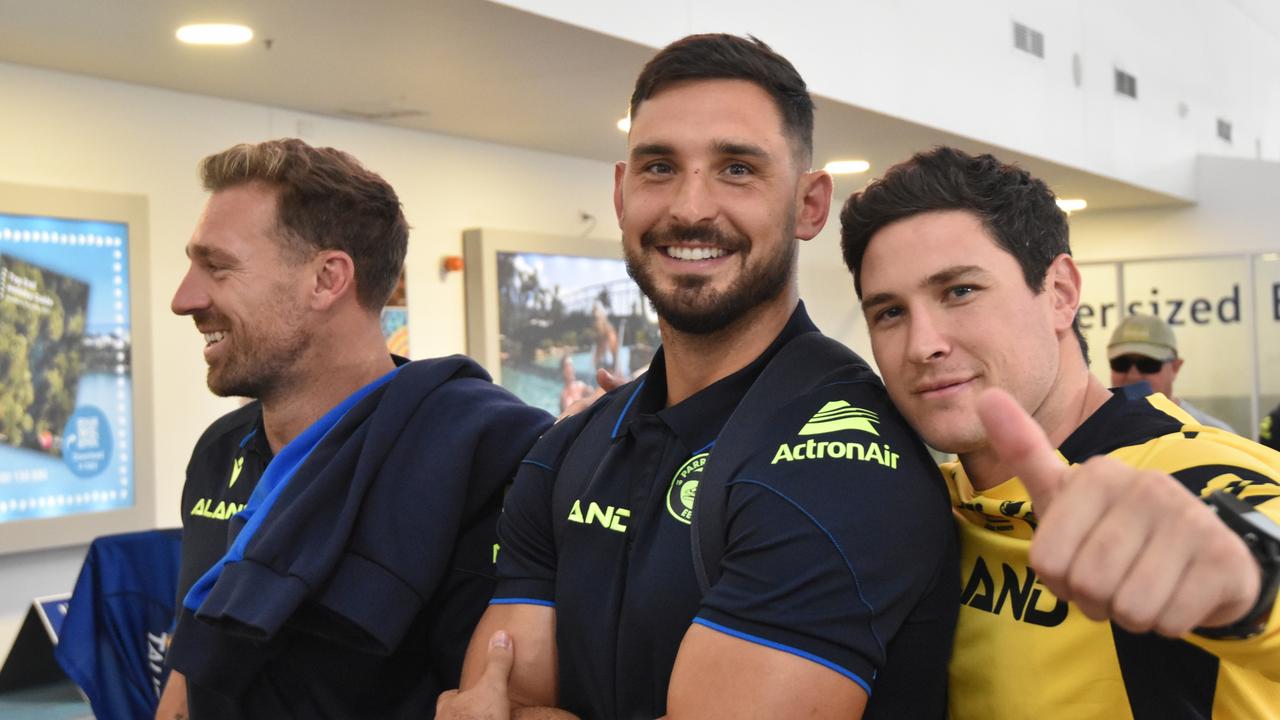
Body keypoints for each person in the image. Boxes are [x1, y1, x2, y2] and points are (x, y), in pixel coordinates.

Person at [438, 34, 958, 720]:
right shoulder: (569, 451)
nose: (690, 208)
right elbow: (502, 697)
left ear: (808, 205)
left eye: (736, 169)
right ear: (622, 194)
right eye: (659, 167)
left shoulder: (844, 459)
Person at [840, 146, 1280, 718]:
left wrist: (1245, 591)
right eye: (889, 312)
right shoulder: (925, 502)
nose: (923, 345)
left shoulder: (1183, 473)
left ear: (1060, 294)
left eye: (960, 291)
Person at [158, 139, 552, 719]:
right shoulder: (221, 452)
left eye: (216, 266)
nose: (183, 298)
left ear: (326, 279)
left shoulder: (485, 455)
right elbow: (194, 673)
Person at [1108, 313, 1237, 432]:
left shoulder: (1212, 434)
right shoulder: (1094, 435)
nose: (1133, 375)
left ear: (1175, 367)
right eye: (1121, 363)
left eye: (1148, 364)